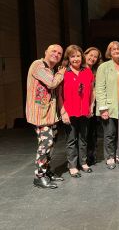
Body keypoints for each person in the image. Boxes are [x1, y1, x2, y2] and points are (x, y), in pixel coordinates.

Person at [26, 44, 66, 189]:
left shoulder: (51, 69)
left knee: (51, 142)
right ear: (46, 52)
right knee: (46, 143)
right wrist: (61, 73)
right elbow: (51, 83)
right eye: (53, 51)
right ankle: (39, 176)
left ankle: (47, 171)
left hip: (50, 114)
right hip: (40, 114)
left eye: (59, 53)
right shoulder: (38, 65)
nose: (56, 54)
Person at [58, 45, 95, 177]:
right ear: (68, 58)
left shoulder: (87, 71)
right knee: (71, 140)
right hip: (70, 112)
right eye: (72, 56)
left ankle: (83, 162)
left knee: (83, 138)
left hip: (84, 111)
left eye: (78, 56)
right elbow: (60, 95)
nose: (76, 59)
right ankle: (73, 165)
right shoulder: (64, 73)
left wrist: (91, 106)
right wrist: (63, 112)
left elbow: (92, 90)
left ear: (82, 57)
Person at [96, 41, 119, 169]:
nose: (116, 50)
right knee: (110, 134)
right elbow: (100, 88)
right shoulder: (103, 67)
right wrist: (103, 108)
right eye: (112, 49)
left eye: (118, 48)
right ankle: (109, 157)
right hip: (109, 107)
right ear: (109, 52)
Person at [83, 47, 103, 166]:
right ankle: (81, 157)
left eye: (95, 57)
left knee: (92, 132)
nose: (92, 58)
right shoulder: (78, 69)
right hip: (80, 104)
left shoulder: (96, 71)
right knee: (81, 133)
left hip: (92, 104)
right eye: (90, 55)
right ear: (85, 54)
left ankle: (90, 156)